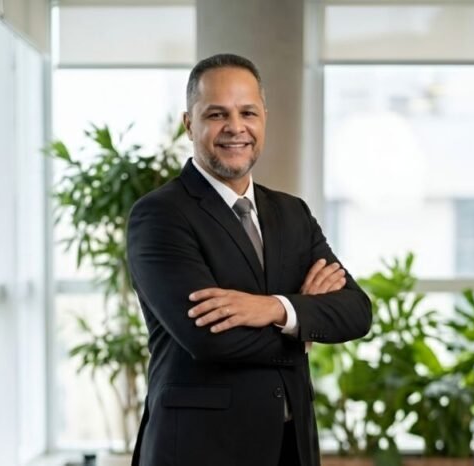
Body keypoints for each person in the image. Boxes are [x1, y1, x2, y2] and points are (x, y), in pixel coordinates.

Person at [126, 53, 372, 466]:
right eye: (217, 114)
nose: (235, 127)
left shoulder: (292, 213)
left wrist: (273, 308)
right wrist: (301, 325)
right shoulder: (160, 215)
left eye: (248, 113)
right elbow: (209, 338)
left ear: (264, 120)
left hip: (290, 447)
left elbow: (356, 311)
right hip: (200, 451)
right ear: (189, 123)